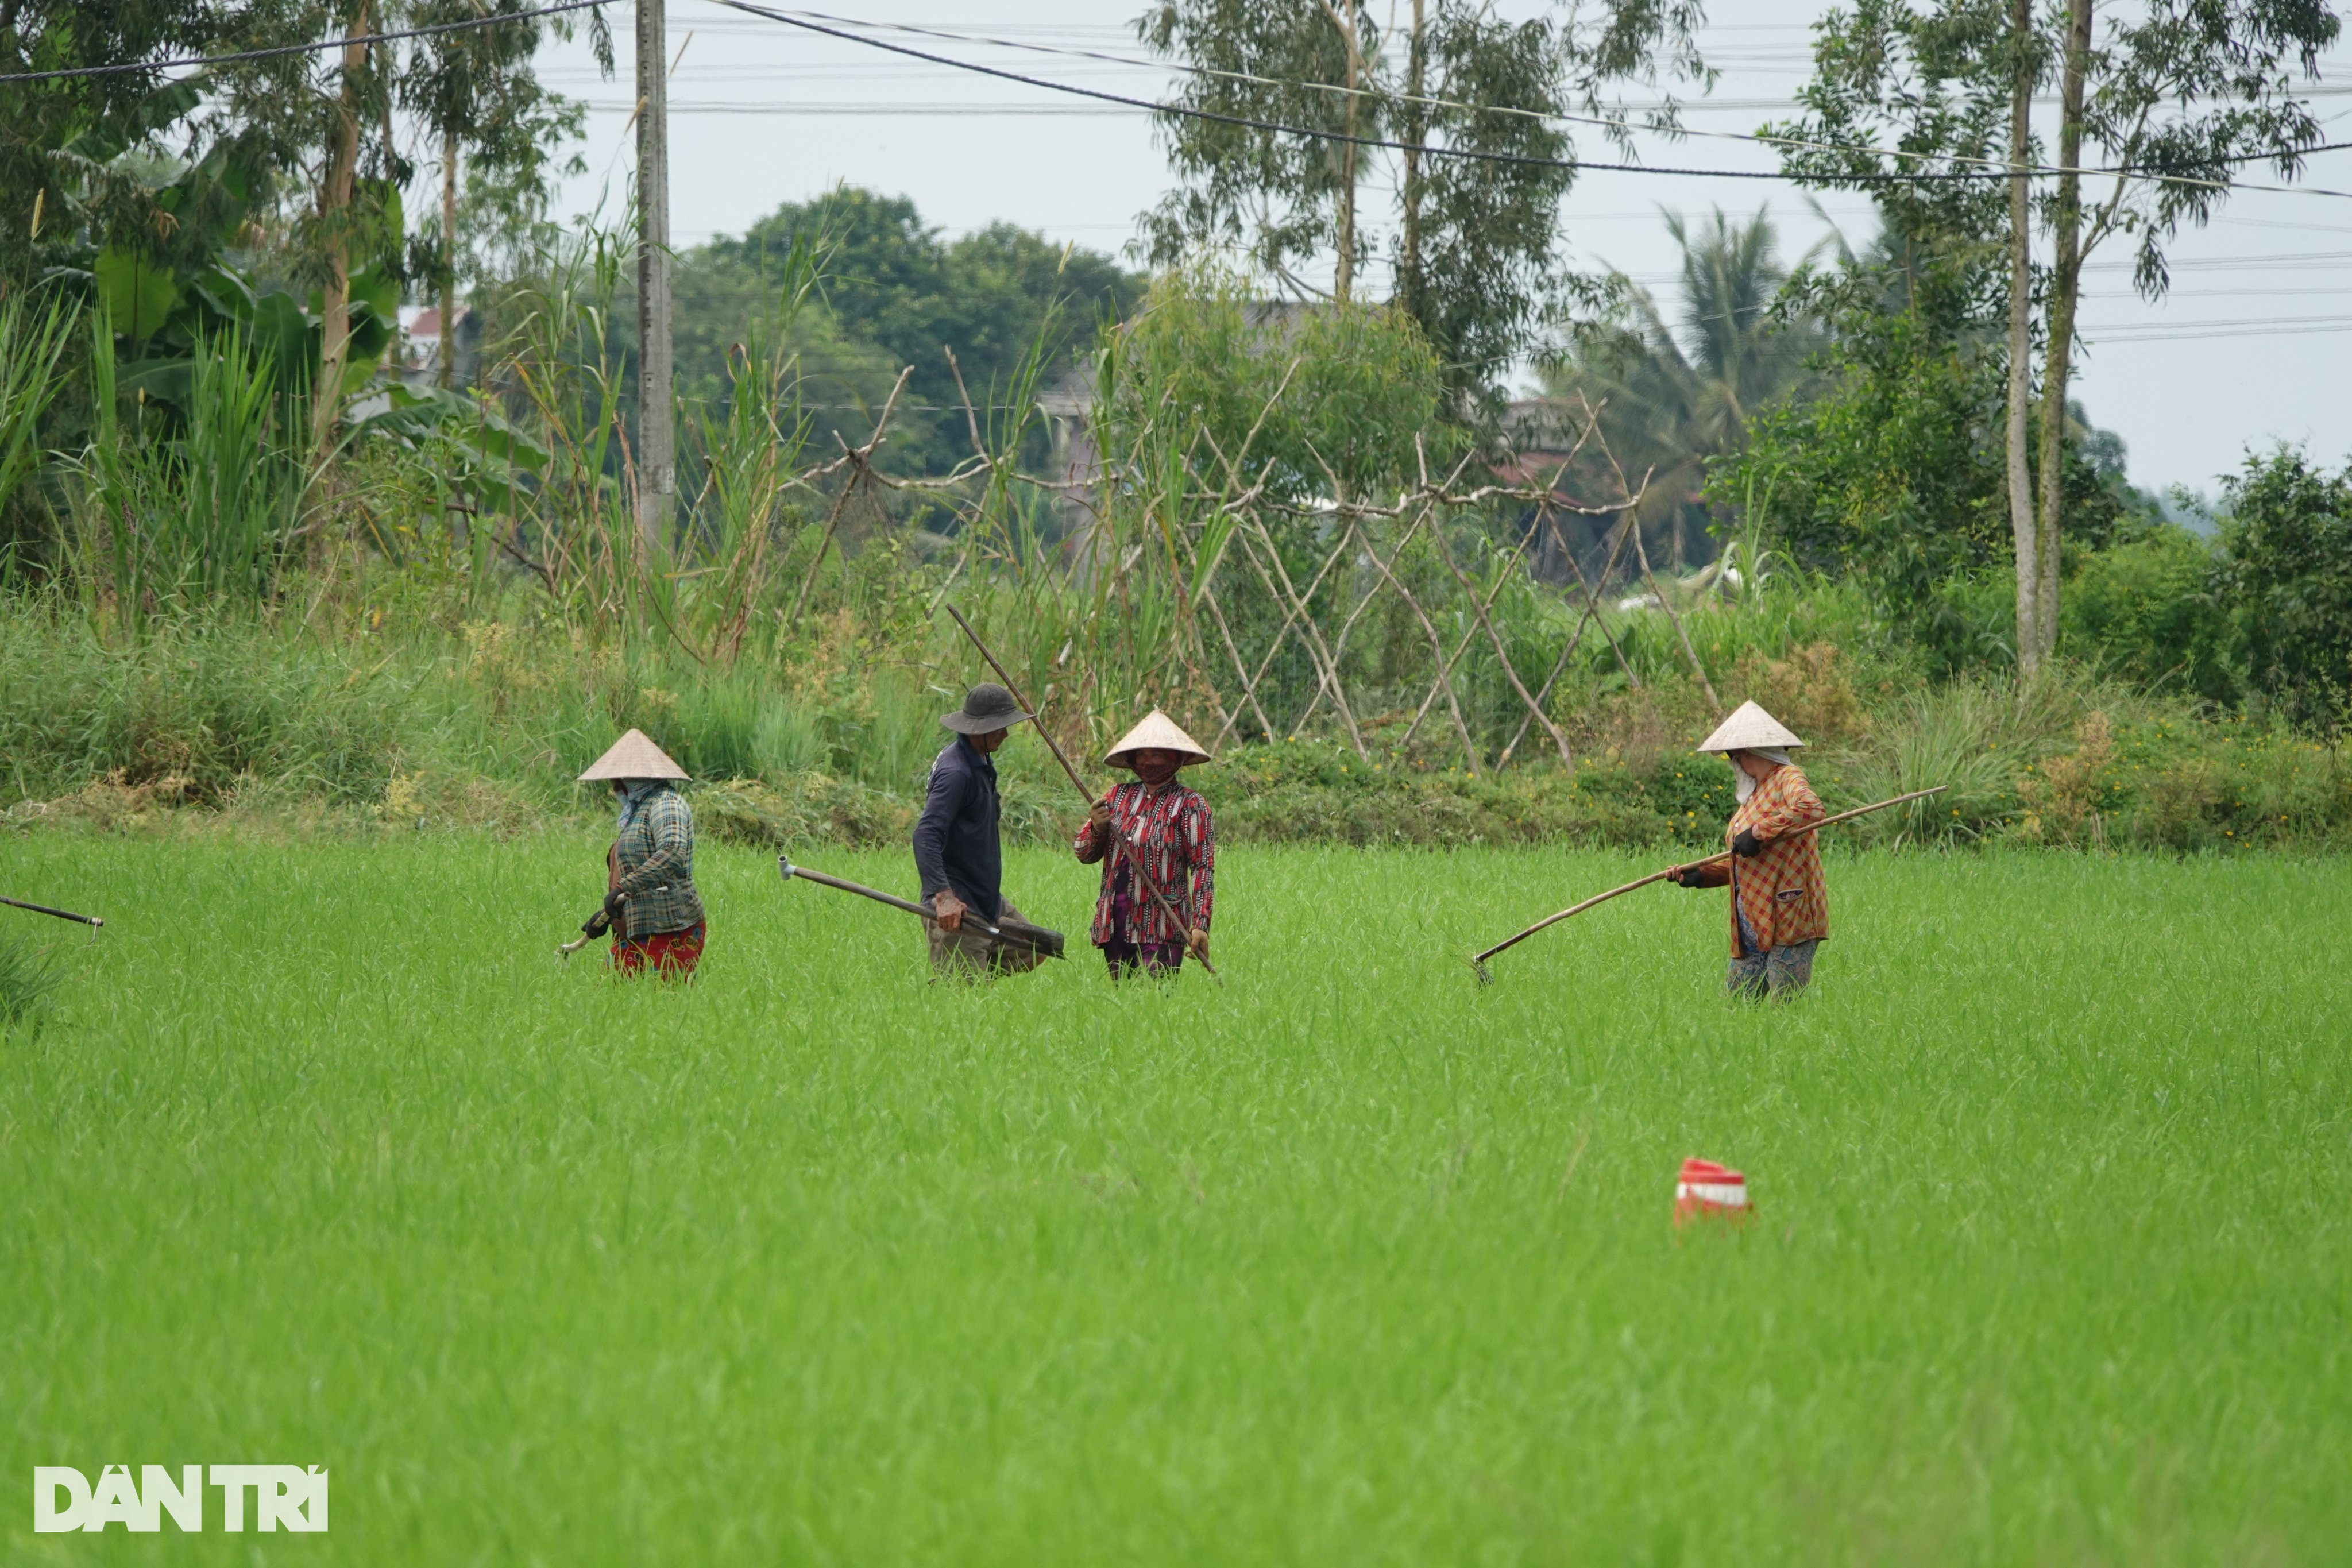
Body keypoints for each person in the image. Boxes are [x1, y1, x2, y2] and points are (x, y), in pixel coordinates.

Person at [1667, 701, 1827, 999]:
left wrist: (1758, 832)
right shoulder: (1755, 795)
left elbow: (1812, 809)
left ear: (1749, 753)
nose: (1733, 763)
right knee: (1739, 1012)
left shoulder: (1788, 779)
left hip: (1788, 916)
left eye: (1733, 756)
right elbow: (1744, 862)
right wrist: (1701, 875)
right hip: (1751, 921)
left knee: (1785, 1013)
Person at [914, 683, 1045, 977]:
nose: (1006, 734)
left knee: (1033, 947)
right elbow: (925, 835)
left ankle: (974, 972)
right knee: (961, 1003)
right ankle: (963, 974)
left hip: (985, 896)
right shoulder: (956, 773)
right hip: (960, 901)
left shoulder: (981, 759)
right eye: (999, 727)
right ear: (978, 728)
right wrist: (944, 897)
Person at [1075, 710, 1214, 978]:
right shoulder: (1117, 797)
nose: (1149, 762)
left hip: (1163, 924)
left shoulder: (1190, 805)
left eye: (1158, 755)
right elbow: (1082, 852)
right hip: (1115, 921)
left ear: (1177, 759)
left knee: (1157, 1004)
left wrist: (1201, 924)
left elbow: (1203, 868)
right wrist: (1097, 827)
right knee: (1123, 1003)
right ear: (1132, 760)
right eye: (1143, 755)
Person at [577, 728, 706, 978]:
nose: (614, 786)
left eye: (617, 779)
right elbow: (630, 875)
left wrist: (622, 887)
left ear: (631, 779)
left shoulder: (665, 804)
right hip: (635, 930)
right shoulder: (639, 811)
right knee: (609, 1004)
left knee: (663, 1007)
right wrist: (606, 917)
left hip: (670, 929)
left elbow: (673, 851)